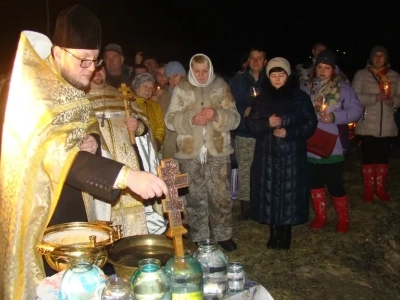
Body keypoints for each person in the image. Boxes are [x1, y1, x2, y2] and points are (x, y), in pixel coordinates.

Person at [0, 5, 167, 299]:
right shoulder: (34, 90)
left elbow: (85, 117)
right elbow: (53, 153)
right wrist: (126, 176)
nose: (91, 69)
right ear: (57, 51)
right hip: (40, 204)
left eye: (95, 59)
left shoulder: (66, 81)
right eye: (84, 60)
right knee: (48, 279)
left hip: (76, 195)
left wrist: (90, 137)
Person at [165, 53, 240, 252]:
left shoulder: (221, 86)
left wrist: (217, 116)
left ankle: (223, 233)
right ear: (191, 70)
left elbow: (235, 117)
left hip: (218, 150)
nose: (200, 75)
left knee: (220, 195)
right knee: (195, 196)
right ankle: (199, 235)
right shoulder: (182, 89)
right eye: (196, 71)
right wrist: (190, 120)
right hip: (190, 151)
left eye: (204, 71)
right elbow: (170, 119)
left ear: (210, 70)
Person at [245, 58, 317, 250]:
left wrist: (289, 130)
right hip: (267, 155)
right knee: (268, 193)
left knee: (288, 194)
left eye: (281, 75)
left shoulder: (300, 97)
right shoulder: (261, 99)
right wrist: (267, 123)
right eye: (273, 75)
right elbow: (252, 124)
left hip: (291, 155)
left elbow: (310, 123)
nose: (277, 79)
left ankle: (285, 233)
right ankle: (273, 232)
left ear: (288, 75)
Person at [87, 65, 166, 235]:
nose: (97, 73)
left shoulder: (120, 95)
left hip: (130, 166)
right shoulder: (81, 99)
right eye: (94, 70)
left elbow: (144, 124)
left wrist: (138, 126)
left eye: (101, 69)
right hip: (101, 167)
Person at [301, 49, 362, 233]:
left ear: (333, 69)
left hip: (332, 145)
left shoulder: (343, 88)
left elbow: (356, 111)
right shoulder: (306, 88)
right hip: (310, 144)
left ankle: (343, 218)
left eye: (327, 67)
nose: (322, 71)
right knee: (315, 182)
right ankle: (321, 216)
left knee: (335, 182)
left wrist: (335, 117)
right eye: (319, 67)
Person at [351, 45, 400, 202]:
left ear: (386, 58)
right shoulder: (362, 74)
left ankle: (380, 188)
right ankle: (368, 189)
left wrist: (393, 101)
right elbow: (355, 96)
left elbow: (399, 96)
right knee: (368, 157)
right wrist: (373, 98)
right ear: (371, 58)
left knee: (382, 158)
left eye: (381, 55)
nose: (378, 58)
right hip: (367, 124)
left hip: (386, 124)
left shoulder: (394, 76)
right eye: (375, 55)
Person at [229, 47, 267, 220]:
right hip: (245, 132)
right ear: (248, 60)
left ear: (265, 61)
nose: (256, 61)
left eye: (260, 58)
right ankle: (246, 205)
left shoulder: (270, 80)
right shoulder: (238, 80)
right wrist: (244, 109)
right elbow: (229, 103)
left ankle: (262, 202)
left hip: (266, 133)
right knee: (245, 169)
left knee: (264, 168)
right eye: (253, 58)